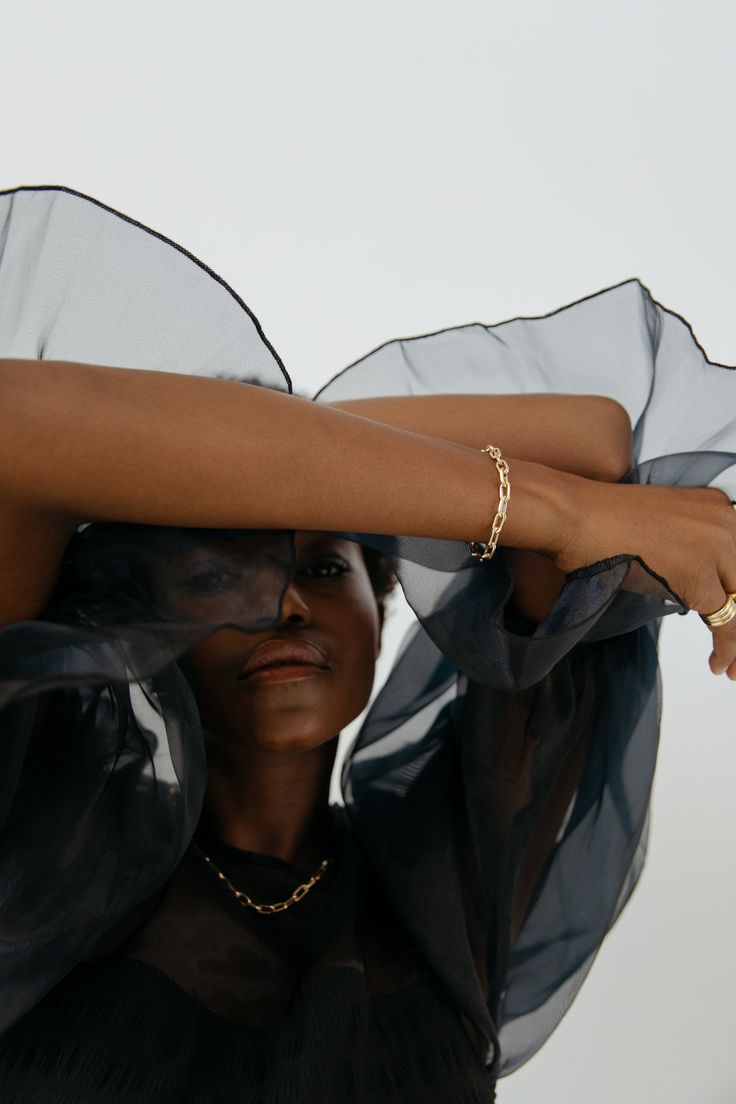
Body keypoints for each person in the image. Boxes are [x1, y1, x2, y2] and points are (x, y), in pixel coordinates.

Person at [0, 185, 734, 1102]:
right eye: (218, 576)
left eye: (321, 570)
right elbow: (13, 421)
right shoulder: (41, 819)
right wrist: (569, 514)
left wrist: (276, 465)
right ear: (152, 628)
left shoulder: (448, 876)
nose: (288, 609)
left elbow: (591, 438)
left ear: (380, 609)